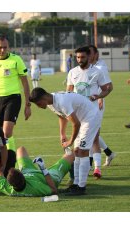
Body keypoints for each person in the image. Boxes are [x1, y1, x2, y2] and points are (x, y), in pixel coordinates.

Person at [29, 87, 102, 195]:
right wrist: (62, 134)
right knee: (76, 152)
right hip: (82, 119)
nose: (39, 107)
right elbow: (62, 117)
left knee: (82, 151)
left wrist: (70, 141)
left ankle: (81, 187)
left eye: (39, 104)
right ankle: (76, 184)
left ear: (44, 97)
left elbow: (76, 124)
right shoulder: (50, 103)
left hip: (90, 117)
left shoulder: (62, 101)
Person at [0, 34, 31, 160]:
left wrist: (28, 105)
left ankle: (12, 160)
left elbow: (25, 83)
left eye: (5, 47)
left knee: (7, 132)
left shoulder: (16, 60)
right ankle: (4, 161)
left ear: (8, 46)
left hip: (13, 98)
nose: (3, 50)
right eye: (0, 47)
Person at [66, 46, 111, 180]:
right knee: (78, 144)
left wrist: (98, 96)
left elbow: (107, 89)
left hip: (92, 112)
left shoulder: (97, 72)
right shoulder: (72, 72)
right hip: (77, 113)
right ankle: (79, 174)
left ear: (89, 57)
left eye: (82, 57)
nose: (80, 60)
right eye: (78, 57)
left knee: (95, 139)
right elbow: (68, 91)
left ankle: (97, 168)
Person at [0, 146, 74, 197]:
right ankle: (74, 171)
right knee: (71, 154)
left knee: (20, 149)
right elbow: (54, 190)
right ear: (23, 176)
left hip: (27, 170)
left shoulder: (6, 187)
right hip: (50, 177)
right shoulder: (37, 188)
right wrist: (43, 168)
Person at [88, 45, 116, 167]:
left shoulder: (101, 67)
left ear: (96, 54)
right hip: (88, 104)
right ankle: (109, 153)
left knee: (91, 133)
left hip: (97, 102)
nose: (87, 55)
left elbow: (108, 86)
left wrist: (100, 98)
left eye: (90, 53)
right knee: (91, 133)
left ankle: (89, 164)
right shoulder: (89, 67)